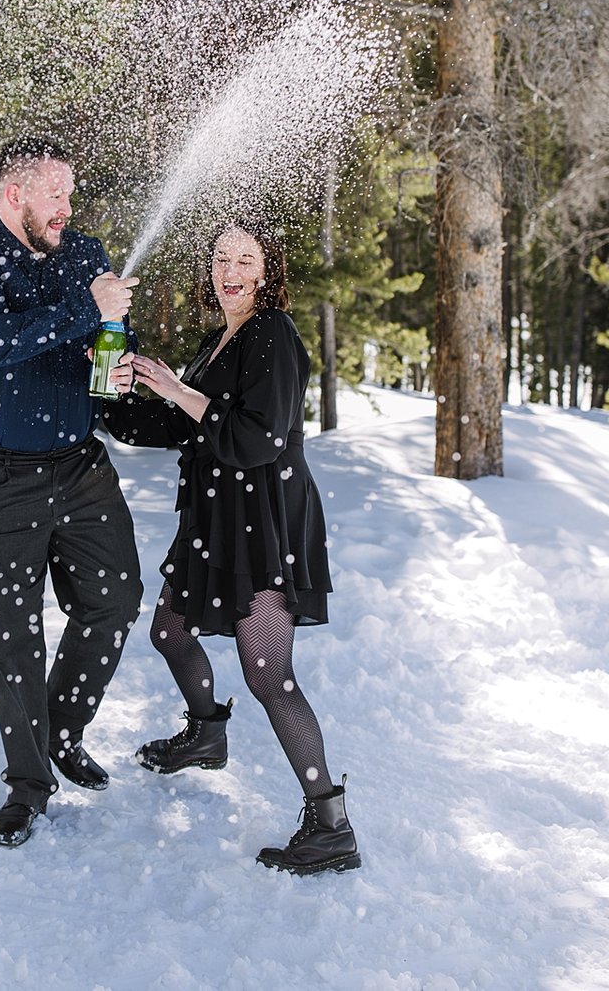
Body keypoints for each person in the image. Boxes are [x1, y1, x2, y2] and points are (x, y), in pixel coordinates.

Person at [101, 219, 360, 876]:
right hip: (215, 525)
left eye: (246, 256)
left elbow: (257, 439)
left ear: (268, 269)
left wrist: (173, 389)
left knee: (269, 675)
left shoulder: (273, 334)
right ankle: (207, 733)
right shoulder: (217, 342)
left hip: (265, 528)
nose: (231, 268)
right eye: (221, 256)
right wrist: (116, 380)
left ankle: (330, 824)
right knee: (169, 632)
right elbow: (168, 424)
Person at [0, 137, 143, 849]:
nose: (66, 206)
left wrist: (114, 367)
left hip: (81, 469)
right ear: (11, 198)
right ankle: (28, 787)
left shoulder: (85, 253)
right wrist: (83, 313)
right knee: (13, 639)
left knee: (114, 598)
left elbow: (110, 335)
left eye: (70, 192)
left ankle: (63, 730)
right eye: (52, 193)